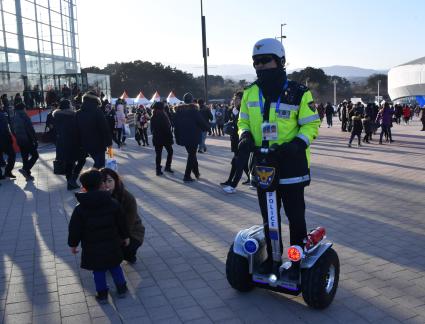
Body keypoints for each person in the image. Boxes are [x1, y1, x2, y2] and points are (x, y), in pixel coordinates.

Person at [237, 38, 320, 278]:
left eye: (266, 61)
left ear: (280, 61)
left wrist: (296, 144)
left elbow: (311, 125)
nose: (261, 66)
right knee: (269, 217)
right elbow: (243, 120)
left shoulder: (298, 93)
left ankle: (296, 262)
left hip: (291, 164)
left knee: (295, 218)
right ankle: (273, 259)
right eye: (257, 62)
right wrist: (244, 136)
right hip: (263, 164)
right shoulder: (250, 92)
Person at [68, 169, 130, 303]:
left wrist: (73, 244)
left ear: (83, 188)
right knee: (115, 267)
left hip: (92, 248)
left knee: (98, 271)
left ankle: (102, 294)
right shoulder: (112, 203)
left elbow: (74, 229)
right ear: (102, 185)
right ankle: (122, 289)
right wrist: (125, 236)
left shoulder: (79, 209)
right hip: (112, 244)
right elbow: (122, 222)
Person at [100, 168, 145, 264]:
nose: (107, 184)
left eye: (110, 181)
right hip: (108, 230)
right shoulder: (98, 196)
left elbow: (130, 221)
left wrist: (122, 238)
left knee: (125, 251)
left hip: (131, 230)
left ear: (116, 181)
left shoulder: (127, 197)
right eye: (103, 182)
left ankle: (129, 255)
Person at [173, 93, 210, 182]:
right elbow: (201, 122)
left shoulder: (178, 111)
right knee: (192, 155)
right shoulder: (194, 110)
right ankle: (187, 176)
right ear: (192, 100)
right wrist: (208, 128)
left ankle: (196, 173)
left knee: (192, 154)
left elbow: (175, 126)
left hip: (183, 137)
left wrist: (177, 137)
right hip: (193, 136)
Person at [52, 99, 87, 190]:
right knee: (82, 160)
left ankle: (70, 182)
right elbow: (77, 130)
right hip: (73, 143)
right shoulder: (73, 116)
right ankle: (72, 180)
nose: (72, 105)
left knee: (69, 163)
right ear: (68, 106)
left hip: (61, 143)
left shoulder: (56, 116)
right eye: (70, 104)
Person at [221, 91, 250, 193]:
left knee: (238, 162)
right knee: (237, 162)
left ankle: (232, 185)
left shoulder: (244, 109)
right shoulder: (233, 110)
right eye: (234, 99)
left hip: (243, 140)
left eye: (236, 99)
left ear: (242, 100)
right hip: (235, 139)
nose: (234, 101)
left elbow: (242, 124)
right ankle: (250, 179)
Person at [75, 91, 112, 169]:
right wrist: (109, 143)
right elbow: (104, 128)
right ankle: (93, 178)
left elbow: (75, 129)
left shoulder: (78, 113)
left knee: (81, 163)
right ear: (96, 100)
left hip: (83, 143)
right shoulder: (97, 112)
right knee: (100, 164)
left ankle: (74, 179)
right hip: (98, 144)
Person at [12, 99, 39, 181]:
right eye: (25, 108)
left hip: (20, 141)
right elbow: (30, 129)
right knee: (35, 155)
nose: (26, 109)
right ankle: (25, 169)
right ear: (22, 108)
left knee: (25, 157)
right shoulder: (24, 116)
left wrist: (17, 137)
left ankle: (27, 175)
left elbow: (12, 130)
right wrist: (35, 139)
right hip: (28, 140)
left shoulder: (14, 117)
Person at [150, 101, 174, 175]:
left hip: (157, 138)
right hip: (165, 138)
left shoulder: (153, 117)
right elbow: (167, 129)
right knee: (170, 152)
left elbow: (151, 129)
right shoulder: (163, 116)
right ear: (161, 108)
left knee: (158, 154)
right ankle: (167, 167)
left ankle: (158, 170)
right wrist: (171, 137)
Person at [0, 103, 16, 180]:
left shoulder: (3, 114)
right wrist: (9, 137)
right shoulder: (2, 115)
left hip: (4, 139)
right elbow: (5, 128)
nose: (2, 106)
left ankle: (3, 174)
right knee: (12, 154)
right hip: (4, 139)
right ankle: (8, 171)